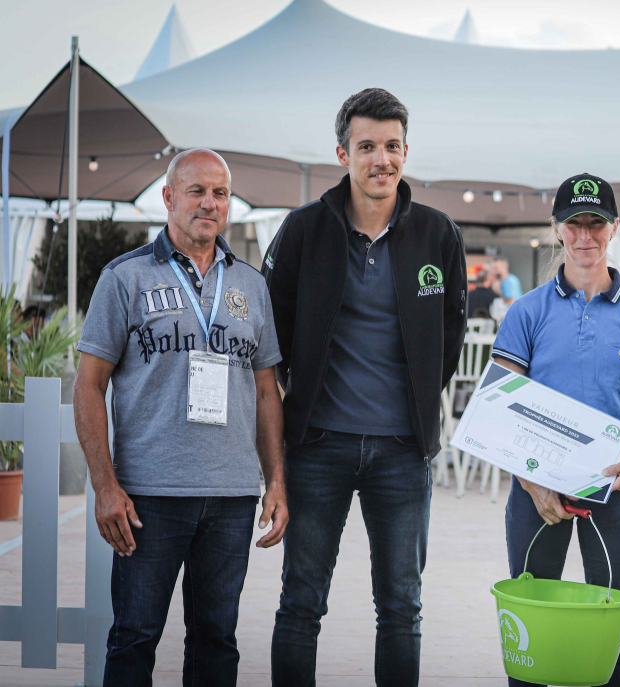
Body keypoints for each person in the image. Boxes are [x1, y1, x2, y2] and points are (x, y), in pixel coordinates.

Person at [262, 88, 467, 687]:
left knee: (401, 608)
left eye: (393, 146)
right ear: (343, 153)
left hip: (403, 451)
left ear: (406, 151)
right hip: (317, 446)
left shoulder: (437, 234)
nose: (383, 159)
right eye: (368, 146)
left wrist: (418, 401)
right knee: (301, 602)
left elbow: (450, 332)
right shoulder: (304, 230)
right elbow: (272, 332)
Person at [73, 149, 288, 687]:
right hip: (149, 496)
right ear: (169, 198)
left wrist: (276, 482)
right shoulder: (125, 277)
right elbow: (88, 384)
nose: (209, 203)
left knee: (216, 640)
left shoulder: (252, 285)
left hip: (232, 496)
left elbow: (267, 391)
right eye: (197, 191)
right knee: (134, 637)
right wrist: (104, 486)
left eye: (220, 193)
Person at [491, 173, 620, 687]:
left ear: (615, 227)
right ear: (556, 228)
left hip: (614, 489)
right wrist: (532, 484)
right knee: (529, 621)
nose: (585, 235)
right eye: (575, 224)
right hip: (535, 487)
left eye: (596, 223)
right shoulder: (526, 311)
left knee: (611, 628)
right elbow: (499, 409)